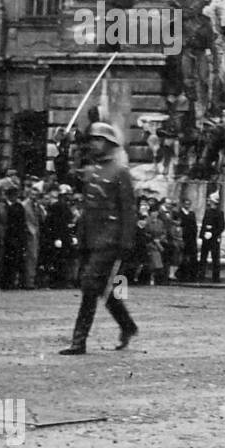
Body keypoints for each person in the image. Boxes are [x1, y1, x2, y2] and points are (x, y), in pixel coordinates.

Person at [59, 122, 138, 354]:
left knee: (89, 285)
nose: (93, 144)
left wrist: (126, 242)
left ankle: (78, 341)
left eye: (98, 140)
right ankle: (128, 325)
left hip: (110, 239)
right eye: (92, 140)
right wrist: (63, 149)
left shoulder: (120, 172)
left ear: (109, 144)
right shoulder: (91, 171)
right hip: (91, 238)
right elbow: (86, 207)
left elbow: (128, 210)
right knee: (103, 289)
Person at [199, 192, 225, 282]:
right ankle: (201, 275)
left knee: (215, 258)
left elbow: (221, 226)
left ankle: (216, 277)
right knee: (203, 257)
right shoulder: (207, 212)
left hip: (214, 238)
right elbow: (204, 223)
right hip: (206, 237)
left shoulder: (220, 213)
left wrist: (213, 234)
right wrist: (202, 235)